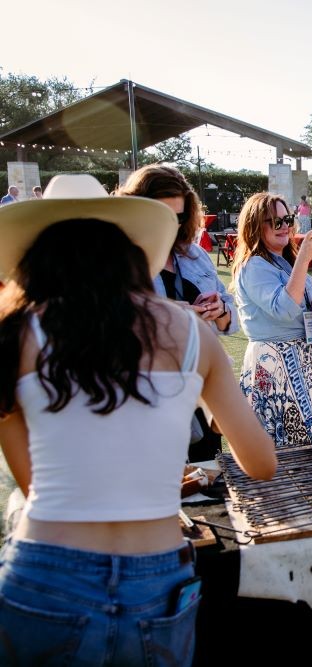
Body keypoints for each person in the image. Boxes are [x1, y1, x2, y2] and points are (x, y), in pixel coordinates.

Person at [0, 174, 276, 666]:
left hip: (44, 570)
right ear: (129, 249)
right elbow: (260, 462)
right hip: (158, 574)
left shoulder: (16, 335)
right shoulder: (192, 333)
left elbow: (32, 480)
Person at [117, 165, 239, 461]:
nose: (172, 223)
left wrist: (219, 310)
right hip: (150, 393)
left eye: (180, 215)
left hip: (202, 388)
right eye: (162, 215)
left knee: (209, 478)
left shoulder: (194, 254)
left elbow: (231, 317)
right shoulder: (121, 260)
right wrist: (170, 315)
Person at [231, 192, 312, 448]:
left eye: (288, 219)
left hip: (300, 361)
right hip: (273, 364)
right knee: (281, 446)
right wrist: (303, 259)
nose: (285, 227)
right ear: (256, 225)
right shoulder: (254, 266)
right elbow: (285, 309)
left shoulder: (283, 262)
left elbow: (298, 302)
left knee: (304, 443)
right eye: (276, 222)